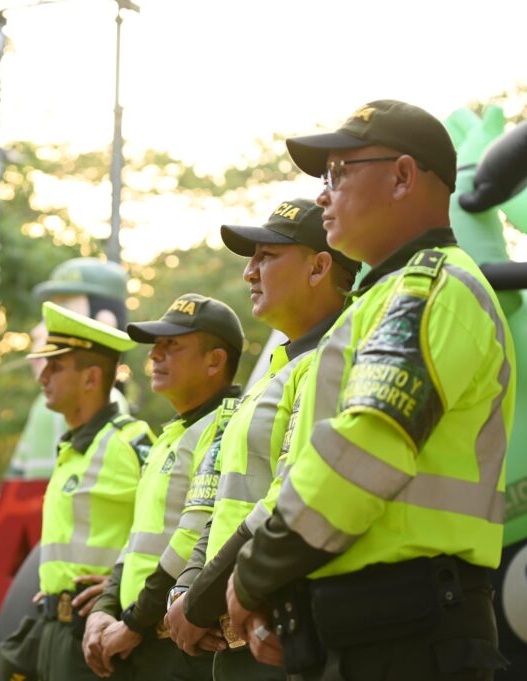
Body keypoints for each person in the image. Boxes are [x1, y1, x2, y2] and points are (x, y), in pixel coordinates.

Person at [226, 100, 517, 680]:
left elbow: (362, 453)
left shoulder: (431, 290)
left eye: (337, 174)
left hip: (410, 634)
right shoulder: (384, 298)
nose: (322, 196)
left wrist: (254, 573)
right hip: (374, 627)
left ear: (403, 176)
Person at [164, 199, 360, 681]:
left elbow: (289, 500)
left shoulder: (339, 358)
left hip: (285, 628)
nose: (249, 273)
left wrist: (200, 600)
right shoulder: (277, 372)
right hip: (237, 626)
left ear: (319, 267)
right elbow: (224, 504)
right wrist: (187, 591)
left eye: (267, 257)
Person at [83, 294, 245, 681]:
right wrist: (105, 608)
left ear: (215, 361)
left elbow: (191, 536)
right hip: (140, 639)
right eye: (155, 345)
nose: (154, 355)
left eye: (171, 345)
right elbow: (138, 540)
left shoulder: (226, 426)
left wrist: (134, 622)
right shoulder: (172, 434)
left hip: (178, 648)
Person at [13, 301, 154, 681]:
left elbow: (170, 527)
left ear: (91, 378)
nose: (43, 377)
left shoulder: (130, 442)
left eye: (56, 367)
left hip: (98, 633)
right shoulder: (73, 446)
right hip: (56, 629)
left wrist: (121, 585)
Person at [7, 258, 132, 480]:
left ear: (104, 323)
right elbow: (17, 485)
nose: (38, 331)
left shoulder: (76, 402)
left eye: (62, 316)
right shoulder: (46, 403)